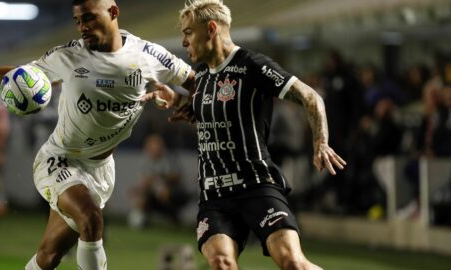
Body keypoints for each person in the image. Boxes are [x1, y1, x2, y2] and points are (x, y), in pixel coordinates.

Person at [0, 0, 194, 268]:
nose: (82, 27)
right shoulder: (69, 56)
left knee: (49, 256)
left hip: (100, 169)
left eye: (89, 18)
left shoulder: (149, 56)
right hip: (60, 159)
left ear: (113, 12)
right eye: (78, 20)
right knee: (91, 219)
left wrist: (185, 103)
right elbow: (16, 76)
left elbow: (195, 83)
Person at [146, 1, 346, 269]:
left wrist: (321, 142)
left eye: (189, 32)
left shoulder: (253, 66)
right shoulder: (201, 77)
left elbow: (311, 97)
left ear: (212, 29)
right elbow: (210, 116)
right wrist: (178, 102)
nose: (184, 41)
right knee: (221, 262)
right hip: (214, 195)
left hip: (256, 186)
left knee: (292, 263)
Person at [128, 134, 189, 228]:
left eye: (155, 147)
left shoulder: (169, 158)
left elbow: (177, 177)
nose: (152, 150)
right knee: (138, 195)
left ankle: (174, 218)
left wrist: (160, 177)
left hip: (173, 191)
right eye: (150, 147)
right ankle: (140, 221)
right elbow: (144, 182)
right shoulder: (145, 162)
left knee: (166, 194)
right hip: (154, 193)